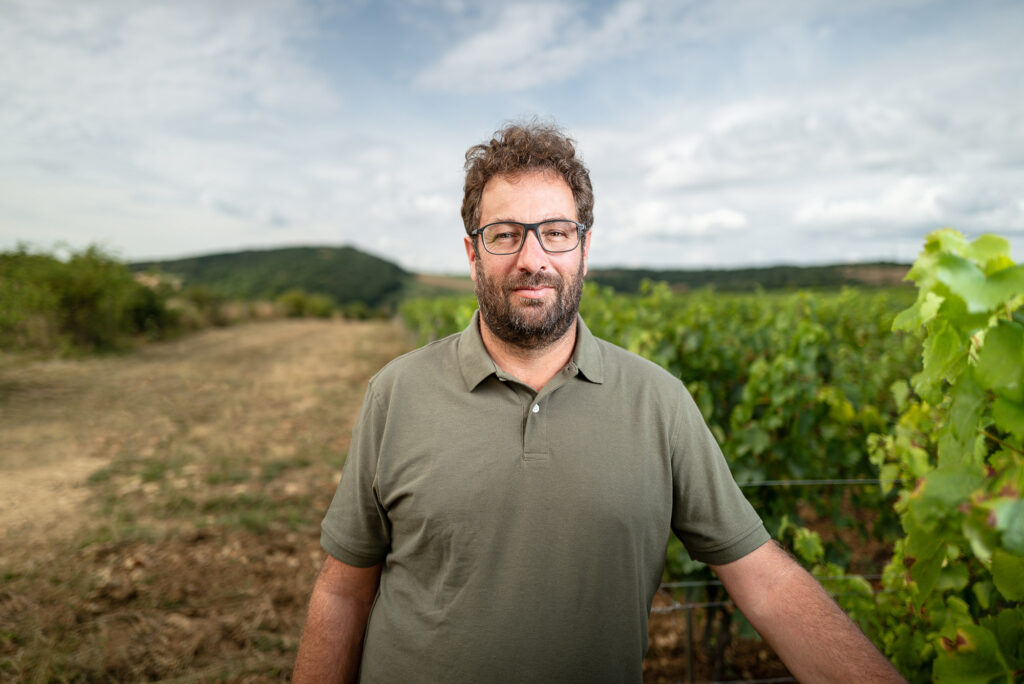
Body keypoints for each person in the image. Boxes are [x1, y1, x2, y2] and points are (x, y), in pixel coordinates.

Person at [293, 122, 905, 683]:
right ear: (472, 251)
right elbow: (343, 592)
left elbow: (766, 580)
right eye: (504, 235)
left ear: (584, 247)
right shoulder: (396, 393)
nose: (532, 259)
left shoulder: (658, 401)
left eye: (555, 233)